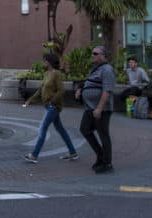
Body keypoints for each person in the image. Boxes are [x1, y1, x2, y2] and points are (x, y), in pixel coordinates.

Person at [22, 52, 79, 163]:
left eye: (45, 60)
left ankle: (34, 155)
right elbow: (41, 89)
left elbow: (61, 90)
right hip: (49, 106)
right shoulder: (47, 74)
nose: (43, 62)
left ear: (49, 62)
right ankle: (73, 152)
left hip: (53, 106)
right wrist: (30, 100)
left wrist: (52, 102)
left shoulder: (56, 74)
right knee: (61, 130)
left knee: (42, 128)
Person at [75, 45, 115, 173]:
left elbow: (107, 90)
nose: (92, 55)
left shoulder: (107, 69)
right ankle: (100, 154)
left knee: (103, 135)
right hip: (90, 107)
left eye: (95, 53)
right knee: (84, 129)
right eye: (92, 53)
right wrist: (81, 89)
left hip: (101, 109)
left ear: (103, 55)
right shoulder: (95, 69)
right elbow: (89, 82)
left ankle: (107, 163)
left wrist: (99, 108)